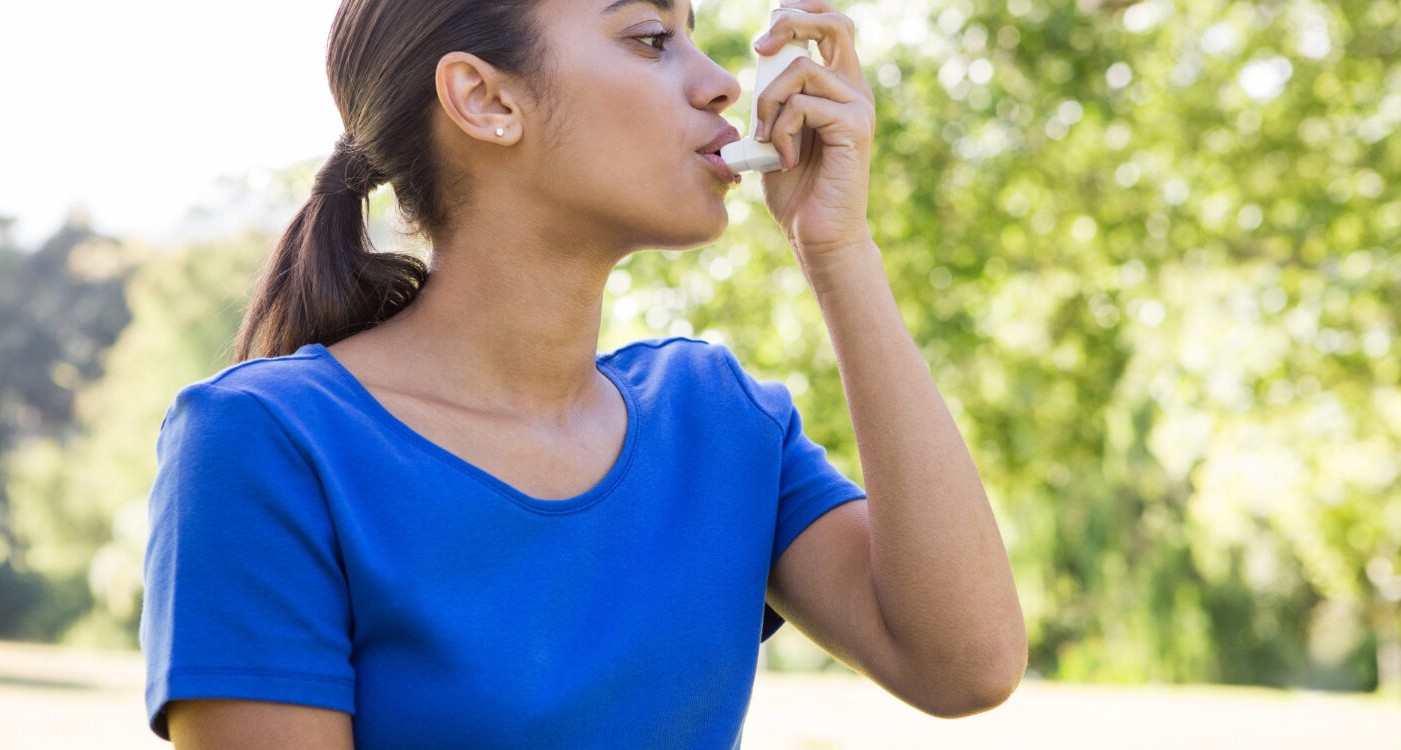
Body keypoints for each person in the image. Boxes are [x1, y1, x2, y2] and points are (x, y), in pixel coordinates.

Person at [139, 0, 1027, 747]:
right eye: (651, 39)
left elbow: (964, 665)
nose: (720, 82)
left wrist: (838, 247)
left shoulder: (716, 419)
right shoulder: (265, 441)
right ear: (485, 99)